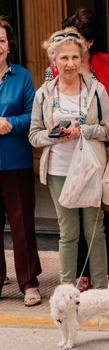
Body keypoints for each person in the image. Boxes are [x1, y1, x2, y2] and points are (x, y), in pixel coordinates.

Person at [46, 8, 109, 291]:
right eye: (68, 37)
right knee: (77, 221)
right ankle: (83, 272)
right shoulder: (53, 70)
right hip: (66, 158)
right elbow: (47, 111)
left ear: (91, 41)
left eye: (79, 38)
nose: (72, 44)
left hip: (104, 152)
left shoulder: (108, 64)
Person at [29, 30, 109, 289]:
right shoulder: (43, 94)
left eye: (75, 57)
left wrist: (83, 131)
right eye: (63, 58)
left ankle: (100, 289)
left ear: (82, 59)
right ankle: (67, 290)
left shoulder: (96, 90)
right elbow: (34, 136)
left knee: (95, 229)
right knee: (68, 233)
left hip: (90, 168)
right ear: (53, 62)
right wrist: (56, 136)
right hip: (59, 170)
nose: (69, 63)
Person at [0, 17, 42, 306]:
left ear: (9, 45)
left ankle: (28, 283)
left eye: (1, 40)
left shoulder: (22, 77)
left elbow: (34, 115)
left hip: (15, 163)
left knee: (22, 225)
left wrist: (10, 123)